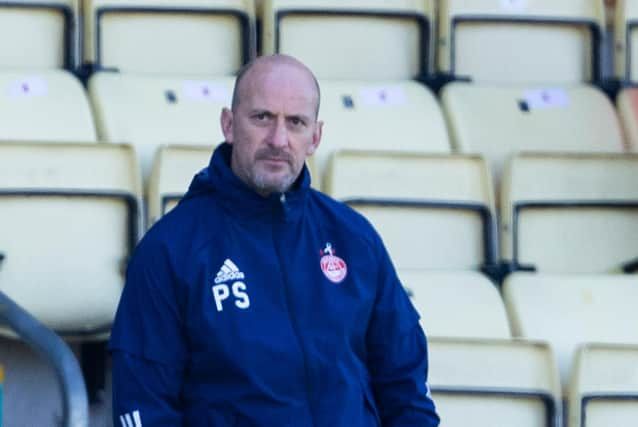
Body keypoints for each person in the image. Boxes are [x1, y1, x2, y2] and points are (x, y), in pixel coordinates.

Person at [110, 54, 440, 427]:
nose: (278, 140)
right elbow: (144, 405)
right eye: (262, 117)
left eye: (295, 123)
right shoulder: (171, 250)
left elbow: (405, 389)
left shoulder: (354, 239)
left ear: (315, 137)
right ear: (229, 125)